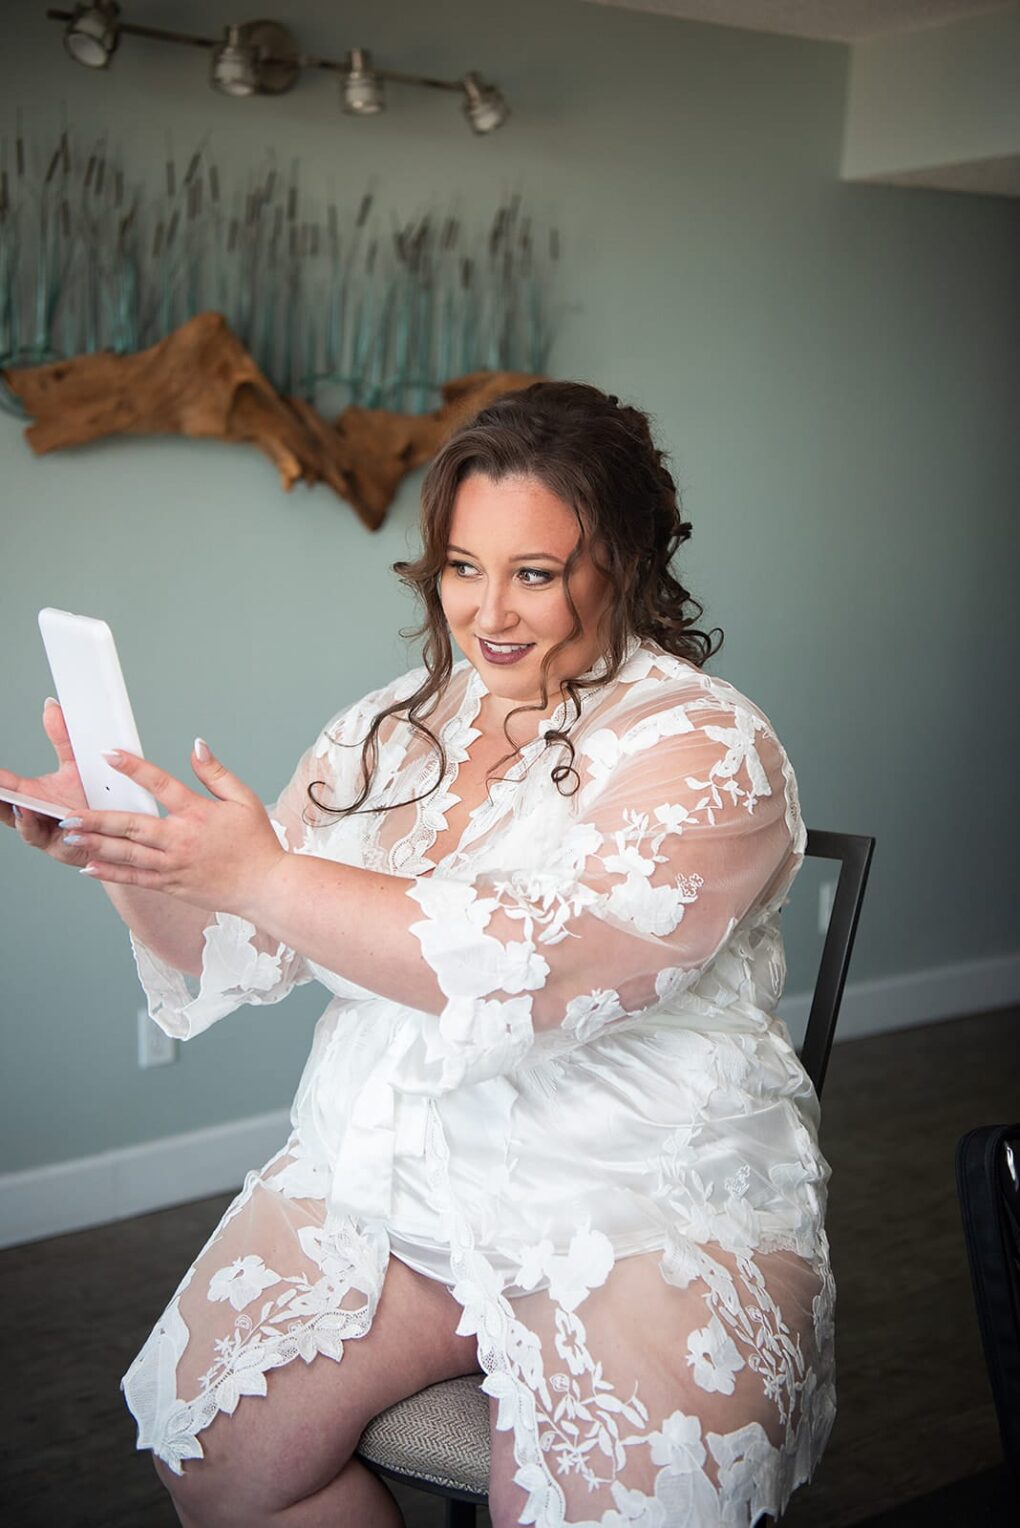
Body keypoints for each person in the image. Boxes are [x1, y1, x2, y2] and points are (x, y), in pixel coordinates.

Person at [1, 381, 835, 1528]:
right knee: (216, 1456)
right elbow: (239, 942)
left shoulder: (705, 745)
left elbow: (542, 970)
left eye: (536, 573)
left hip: (629, 1198)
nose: (489, 611)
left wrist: (265, 872)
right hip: (390, 1179)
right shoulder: (391, 726)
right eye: (460, 567)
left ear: (626, 560)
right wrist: (132, 854)